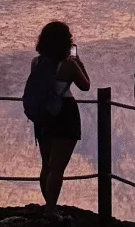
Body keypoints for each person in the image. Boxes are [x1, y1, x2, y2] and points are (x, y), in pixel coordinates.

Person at [25, 21, 91, 213]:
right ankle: (51, 209)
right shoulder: (69, 64)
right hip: (65, 113)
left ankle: (49, 205)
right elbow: (85, 85)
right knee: (57, 167)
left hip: (43, 114)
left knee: (46, 164)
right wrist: (79, 61)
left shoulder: (36, 62)